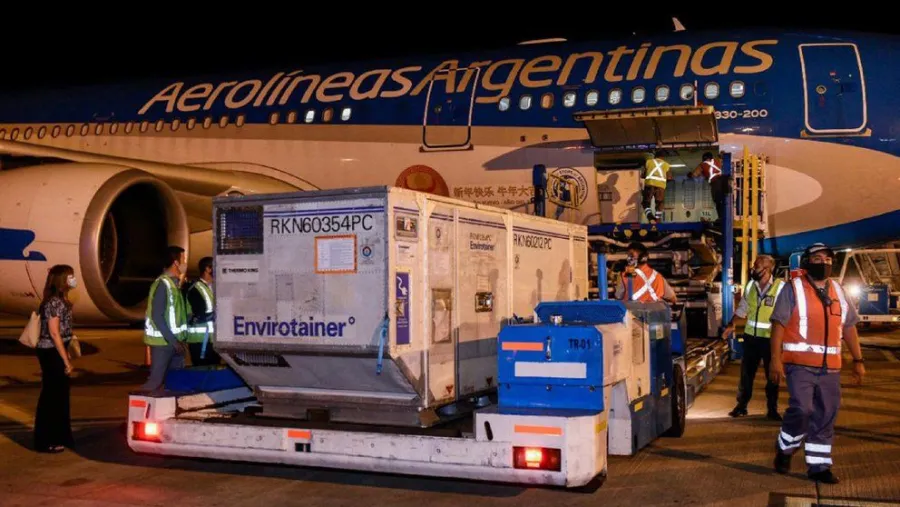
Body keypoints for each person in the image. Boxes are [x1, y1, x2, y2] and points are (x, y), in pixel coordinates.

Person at [770, 243, 865, 484]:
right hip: (799, 365)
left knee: (826, 416)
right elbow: (778, 324)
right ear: (807, 261)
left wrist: (858, 359)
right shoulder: (793, 289)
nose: (823, 262)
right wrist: (775, 360)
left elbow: (849, 327)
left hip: (830, 368)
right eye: (817, 257)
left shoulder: (838, 290)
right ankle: (785, 447)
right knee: (802, 410)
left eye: (827, 258)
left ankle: (819, 467)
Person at [723, 254, 785, 420]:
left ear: (767, 269)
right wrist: (731, 324)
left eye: (757, 266)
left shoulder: (780, 288)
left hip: (771, 340)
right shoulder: (751, 285)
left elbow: (786, 315)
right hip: (751, 338)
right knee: (746, 375)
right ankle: (741, 406)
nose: (754, 269)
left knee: (772, 375)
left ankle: (772, 409)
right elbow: (743, 308)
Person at [33, 264, 77, 453]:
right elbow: (53, 332)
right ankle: (45, 440)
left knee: (60, 396)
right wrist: (66, 360)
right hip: (51, 351)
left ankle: (61, 435)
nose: (73, 279)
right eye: (70, 276)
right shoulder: (54, 302)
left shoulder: (60, 300)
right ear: (62, 280)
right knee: (51, 397)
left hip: (57, 348)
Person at [140, 246, 189, 393]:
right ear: (175, 263)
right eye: (183, 260)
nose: (185, 263)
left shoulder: (174, 284)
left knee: (174, 384)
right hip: (164, 343)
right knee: (155, 382)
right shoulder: (163, 284)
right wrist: (173, 341)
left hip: (175, 343)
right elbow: (157, 315)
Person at [185, 256, 220, 366]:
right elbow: (197, 315)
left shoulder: (212, 287)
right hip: (200, 341)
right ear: (208, 269)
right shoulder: (195, 289)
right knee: (202, 372)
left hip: (213, 340)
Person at [690, 151, 728, 223]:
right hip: (725, 181)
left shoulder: (702, 164)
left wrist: (693, 175)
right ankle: (727, 216)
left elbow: (694, 174)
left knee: (718, 201)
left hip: (716, 184)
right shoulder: (717, 160)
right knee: (726, 201)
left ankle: (721, 218)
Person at [641, 150, 673, 223]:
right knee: (659, 204)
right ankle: (657, 220)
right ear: (663, 157)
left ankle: (650, 218)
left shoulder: (648, 162)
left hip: (649, 185)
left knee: (645, 203)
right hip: (661, 187)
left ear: (655, 156)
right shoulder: (666, 165)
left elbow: (643, 175)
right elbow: (669, 178)